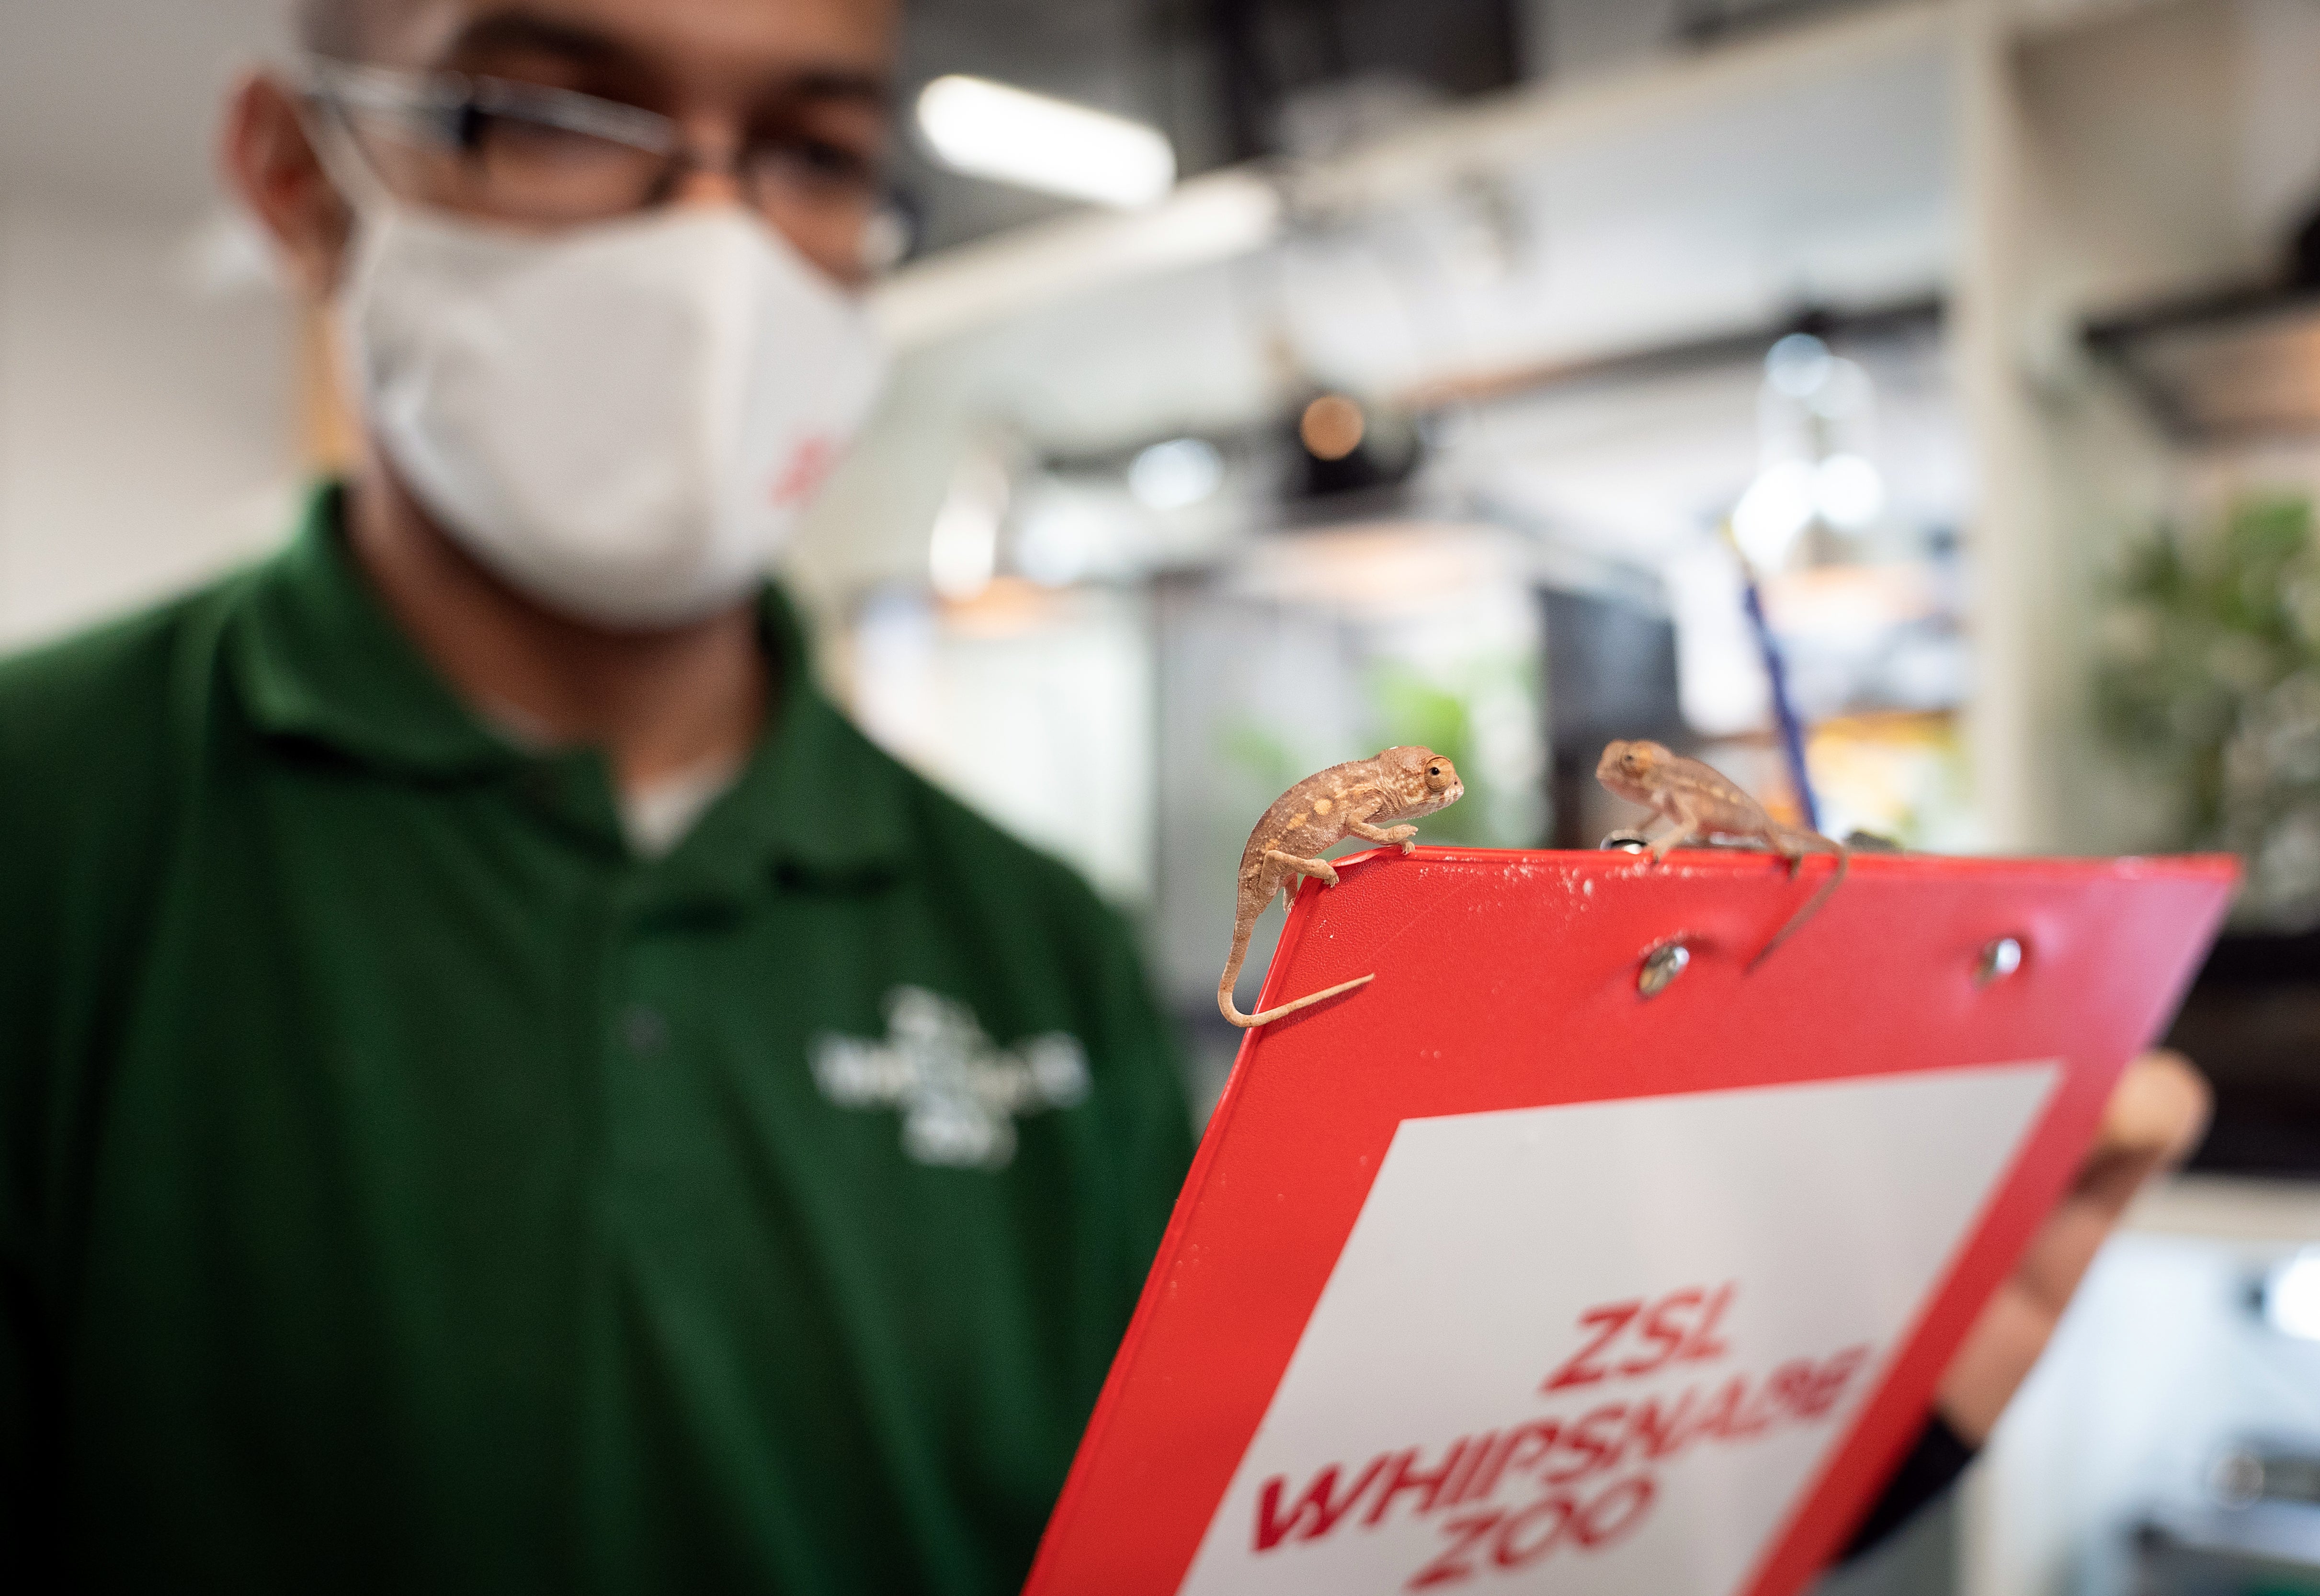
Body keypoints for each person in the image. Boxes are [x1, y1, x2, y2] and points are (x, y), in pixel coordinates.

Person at [0, 0, 2210, 1590]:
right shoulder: (60, 820)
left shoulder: (1022, 932)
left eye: (811, 147)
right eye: (548, 101)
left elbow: (1234, 1540)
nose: (709, 244)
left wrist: (1796, 1428)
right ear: (308, 174)